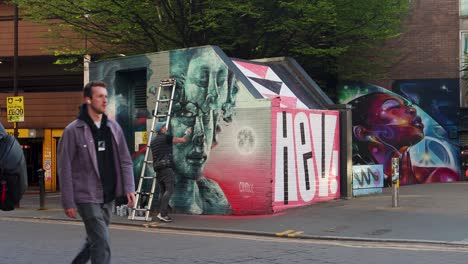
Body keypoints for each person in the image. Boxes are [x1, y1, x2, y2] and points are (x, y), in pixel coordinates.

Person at [58, 81, 135, 264]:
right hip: (86, 195)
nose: (105, 100)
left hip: (108, 195)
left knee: (95, 239)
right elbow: (65, 168)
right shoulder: (73, 131)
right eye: (100, 96)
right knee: (101, 240)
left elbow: (125, 160)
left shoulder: (113, 128)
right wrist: (68, 201)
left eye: (106, 96)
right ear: (88, 100)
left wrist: (129, 188)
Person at [168, 48, 237, 214]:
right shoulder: (142, 177)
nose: (213, 94)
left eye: (220, 81)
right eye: (202, 80)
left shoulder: (213, 198)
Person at [350, 92, 458, 185]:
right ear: (362, 133)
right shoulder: (356, 176)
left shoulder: (440, 176)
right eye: (393, 107)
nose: (412, 110)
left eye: (406, 105)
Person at [150, 121, 191, 222]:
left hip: (157, 168)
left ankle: (160, 212)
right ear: (161, 129)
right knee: (169, 189)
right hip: (166, 168)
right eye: (164, 127)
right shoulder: (166, 137)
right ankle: (163, 214)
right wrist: (188, 133)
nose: (166, 128)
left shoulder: (153, 141)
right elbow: (182, 140)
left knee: (162, 191)